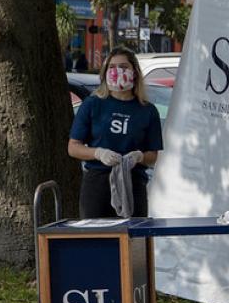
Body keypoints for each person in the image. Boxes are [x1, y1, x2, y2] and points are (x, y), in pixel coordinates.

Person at [68, 46, 163, 218]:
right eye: (112, 67)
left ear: (134, 72)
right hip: (97, 184)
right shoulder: (92, 104)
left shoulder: (147, 111)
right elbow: (73, 147)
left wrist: (139, 157)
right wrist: (98, 153)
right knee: (97, 241)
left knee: (133, 240)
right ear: (104, 73)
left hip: (133, 184)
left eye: (124, 67)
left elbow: (153, 155)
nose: (117, 71)